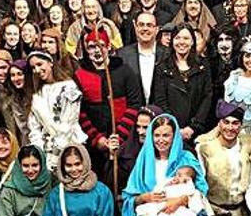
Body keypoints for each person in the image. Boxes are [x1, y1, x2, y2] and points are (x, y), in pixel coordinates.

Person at [75, 28, 142, 180]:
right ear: (86, 49)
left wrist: (118, 137)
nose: (97, 51)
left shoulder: (124, 71)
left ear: (109, 47)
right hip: (94, 146)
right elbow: (79, 112)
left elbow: (134, 105)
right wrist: (96, 139)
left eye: (101, 45)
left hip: (124, 143)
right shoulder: (80, 75)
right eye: (92, 47)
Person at [26, 50, 85, 171]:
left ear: (50, 63)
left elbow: (68, 122)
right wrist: (39, 151)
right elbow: (34, 126)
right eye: (33, 67)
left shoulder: (69, 87)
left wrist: (56, 155)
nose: (37, 70)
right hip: (46, 150)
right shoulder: (37, 94)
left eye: (40, 64)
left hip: (69, 147)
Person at [152, 24, 213, 141]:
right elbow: (160, 100)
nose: (181, 42)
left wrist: (193, 127)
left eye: (186, 38)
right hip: (170, 130)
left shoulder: (203, 66)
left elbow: (207, 97)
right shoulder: (162, 67)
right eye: (177, 38)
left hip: (197, 131)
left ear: (192, 42)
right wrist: (174, 127)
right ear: (172, 41)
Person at [0, 145, 52, 216]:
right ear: (19, 166)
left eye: (35, 165)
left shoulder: (51, 183)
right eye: (26, 166)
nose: (30, 170)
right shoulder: (9, 190)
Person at [118, 11, 166, 105]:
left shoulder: (167, 55)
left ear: (157, 29)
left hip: (161, 114)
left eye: (149, 25)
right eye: (141, 24)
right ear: (135, 28)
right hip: (132, 114)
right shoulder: (122, 55)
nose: (145, 28)